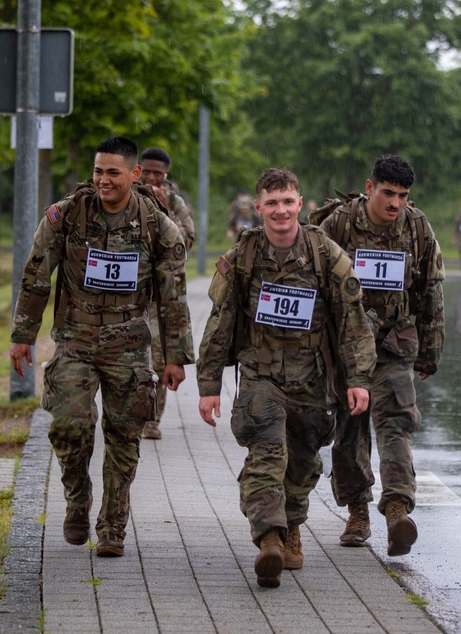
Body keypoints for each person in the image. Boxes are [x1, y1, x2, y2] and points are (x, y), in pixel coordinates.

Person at [10, 136, 194, 558]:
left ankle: (113, 524)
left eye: (113, 172)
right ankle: (77, 499)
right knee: (68, 424)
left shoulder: (158, 225)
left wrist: (174, 357)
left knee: (125, 435)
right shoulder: (67, 215)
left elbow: (173, 297)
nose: (103, 180)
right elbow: (37, 274)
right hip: (75, 338)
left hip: (129, 344)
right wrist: (22, 336)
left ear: (133, 174)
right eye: (98, 171)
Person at [197, 167, 375, 589]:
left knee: (301, 466)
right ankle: (270, 540)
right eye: (271, 203)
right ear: (258, 208)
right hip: (261, 377)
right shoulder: (243, 255)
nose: (280, 210)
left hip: (312, 380)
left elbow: (352, 322)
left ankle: (291, 524)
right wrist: (208, 387)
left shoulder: (325, 254)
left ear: (300, 204)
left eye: (288, 201)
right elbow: (219, 322)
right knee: (266, 456)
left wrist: (359, 379)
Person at [318, 155, 445, 557]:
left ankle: (396, 511)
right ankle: (357, 512)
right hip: (346, 346)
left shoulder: (417, 227)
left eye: (403, 196)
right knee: (350, 429)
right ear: (370, 188)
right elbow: (314, 284)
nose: (395, 204)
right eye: (388, 193)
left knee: (396, 425)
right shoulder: (337, 224)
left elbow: (431, 289)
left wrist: (430, 351)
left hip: (394, 343)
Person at [138, 146, 195, 441]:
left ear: (166, 175)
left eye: (156, 173)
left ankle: (151, 419)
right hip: (130, 297)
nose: (150, 177)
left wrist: (166, 214)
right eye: (145, 171)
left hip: (159, 298)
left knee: (159, 362)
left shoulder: (175, 202)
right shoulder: (125, 196)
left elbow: (187, 242)